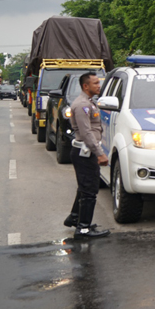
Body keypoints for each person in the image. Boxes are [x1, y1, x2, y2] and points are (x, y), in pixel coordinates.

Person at [65, 72, 110, 238]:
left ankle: (75, 218)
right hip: (85, 151)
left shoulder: (89, 102)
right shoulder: (82, 105)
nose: (99, 86)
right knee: (90, 190)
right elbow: (86, 132)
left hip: (86, 150)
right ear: (86, 86)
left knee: (84, 187)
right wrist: (100, 154)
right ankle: (83, 228)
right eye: (96, 83)